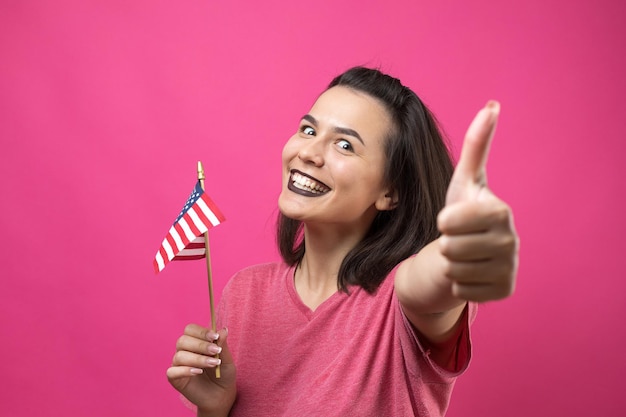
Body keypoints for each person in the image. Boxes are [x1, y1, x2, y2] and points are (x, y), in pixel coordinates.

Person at [166, 67, 519, 417]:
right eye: (308, 129)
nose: (308, 153)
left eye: (344, 145)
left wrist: (459, 246)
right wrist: (214, 408)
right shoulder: (244, 293)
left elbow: (433, 282)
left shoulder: (399, 300)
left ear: (390, 192)